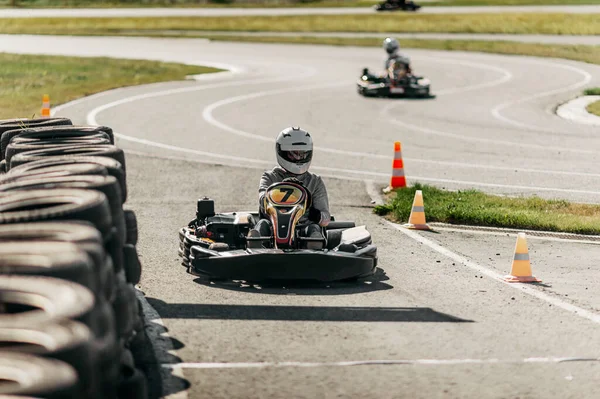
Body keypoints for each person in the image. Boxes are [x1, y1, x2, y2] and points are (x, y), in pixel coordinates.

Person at [247, 126, 330, 249]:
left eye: (302, 154)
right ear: (282, 152)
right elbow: (262, 200)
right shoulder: (269, 177)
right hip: (272, 227)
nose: (298, 158)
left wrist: (316, 215)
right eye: (293, 154)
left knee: (314, 228)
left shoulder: (315, 181)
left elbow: (326, 219)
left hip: (303, 229)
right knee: (262, 224)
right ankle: (255, 244)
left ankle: (314, 248)